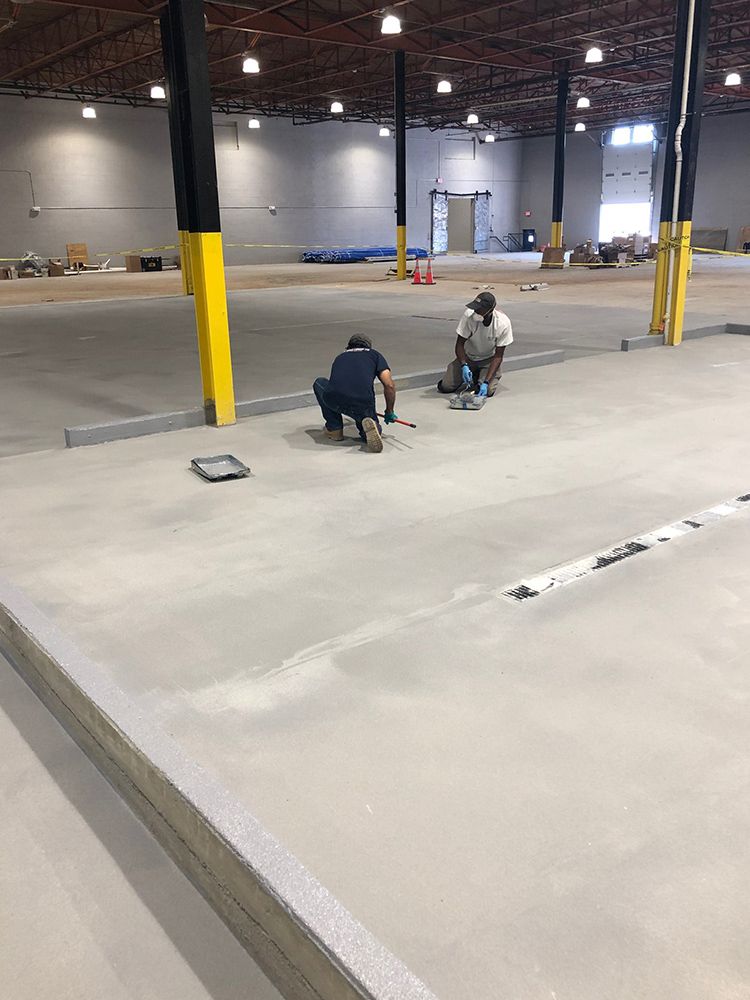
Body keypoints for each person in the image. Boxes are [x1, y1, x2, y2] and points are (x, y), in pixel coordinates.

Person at [313, 335, 398, 453]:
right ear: (368, 346)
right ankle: (371, 428)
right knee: (365, 417)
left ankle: (335, 428)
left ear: (348, 347)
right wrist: (389, 411)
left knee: (320, 383)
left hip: (336, 398)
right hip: (362, 401)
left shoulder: (340, 357)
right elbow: (389, 385)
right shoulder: (374, 355)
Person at [437, 291, 513, 398]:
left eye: (479, 309)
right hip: (468, 357)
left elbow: (498, 356)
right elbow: (459, 344)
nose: (475, 311)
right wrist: (464, 365)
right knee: (445, 387)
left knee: (488, 390)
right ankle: (471, 373)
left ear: (490, 310)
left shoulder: (502, 324)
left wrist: (486, 382)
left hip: (488, 360)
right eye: (475, 308)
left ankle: (481, 378)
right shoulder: (468, 316)